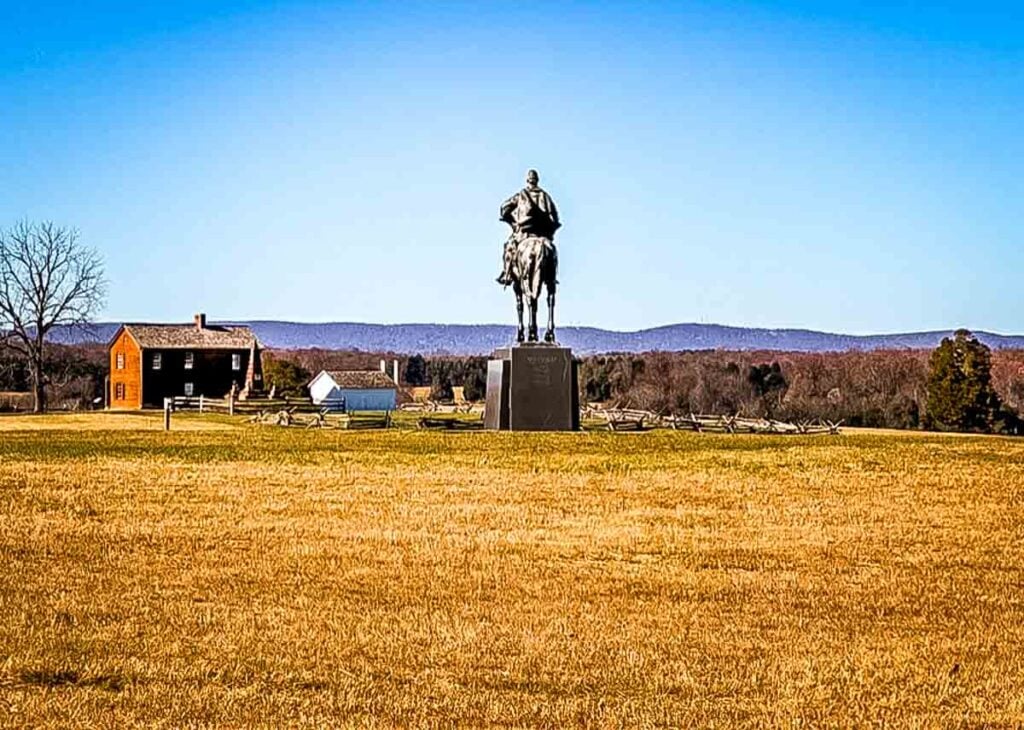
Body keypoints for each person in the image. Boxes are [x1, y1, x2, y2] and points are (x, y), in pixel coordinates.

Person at [497, 169, 561, 285]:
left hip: (525, 232)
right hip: (542, 234)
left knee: (509, 248)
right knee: (552, 252)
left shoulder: (521, 195)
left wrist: (511, 219)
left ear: (528, 180)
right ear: (537, 181)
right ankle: (552, 277)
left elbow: (504, 207)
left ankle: (506, 274)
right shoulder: (545, 196)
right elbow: (555, 214)